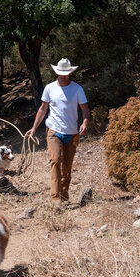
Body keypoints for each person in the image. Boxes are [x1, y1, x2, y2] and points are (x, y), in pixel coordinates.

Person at [25, 58, 90, 205]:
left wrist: (85, 123)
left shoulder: (77, 89)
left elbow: (85, 110)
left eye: (65, 73)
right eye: (60, 73)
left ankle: (64, 195)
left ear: (70, 73)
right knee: (55, 161)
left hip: (72, 133)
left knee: (67, 166)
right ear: (56, 72)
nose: (63, 75)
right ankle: (55, 199)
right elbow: (43, 109)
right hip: (54, 131)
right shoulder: (49, 88)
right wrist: (34, 128)